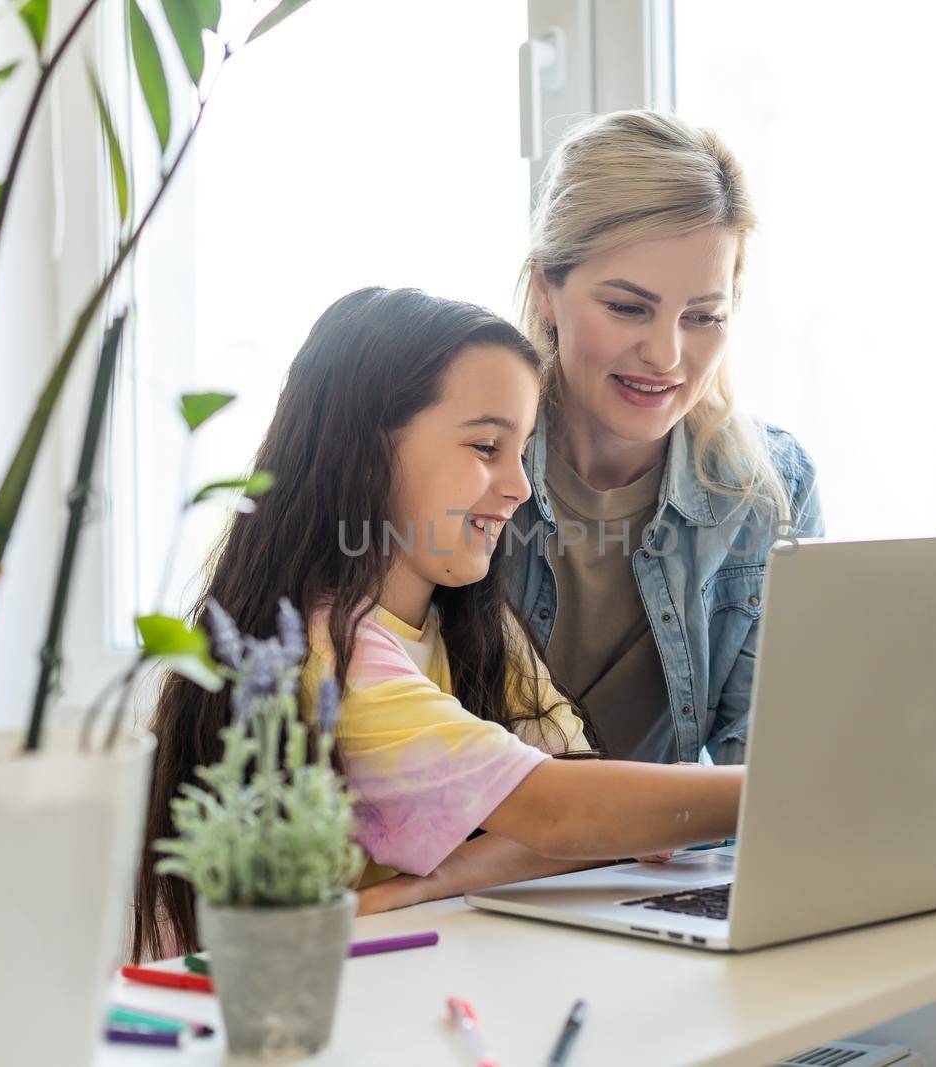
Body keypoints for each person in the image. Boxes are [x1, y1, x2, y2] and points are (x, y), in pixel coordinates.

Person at [132, 287, 746, 961]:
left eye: (522, 450)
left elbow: (587, 818)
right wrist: (773, 785)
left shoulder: (472, 625)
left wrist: (443, 878)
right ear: (363, 451)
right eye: (486, 445)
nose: (519, 486)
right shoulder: (325, 658)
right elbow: (560, 812)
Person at [511, 109, 825, 767]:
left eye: (703, 316)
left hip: (673, 861)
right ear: (546, 288)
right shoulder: (463, 463)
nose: (666, 354)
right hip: (479, 864)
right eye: (628, 307)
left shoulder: (771, 487)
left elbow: (772, 765)